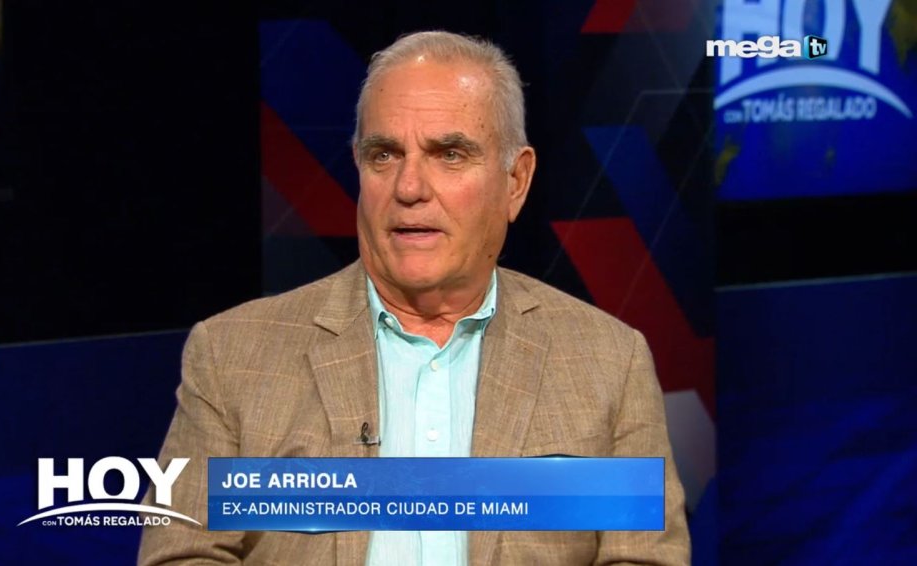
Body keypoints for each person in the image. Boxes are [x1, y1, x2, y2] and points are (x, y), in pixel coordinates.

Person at [139, 31, 690, 565]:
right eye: (384, 155)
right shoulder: (232, 356)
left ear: (516, 181)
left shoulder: (608, 362)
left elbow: (642, 558)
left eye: (449, 154)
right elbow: (182, 555)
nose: (408, 188)